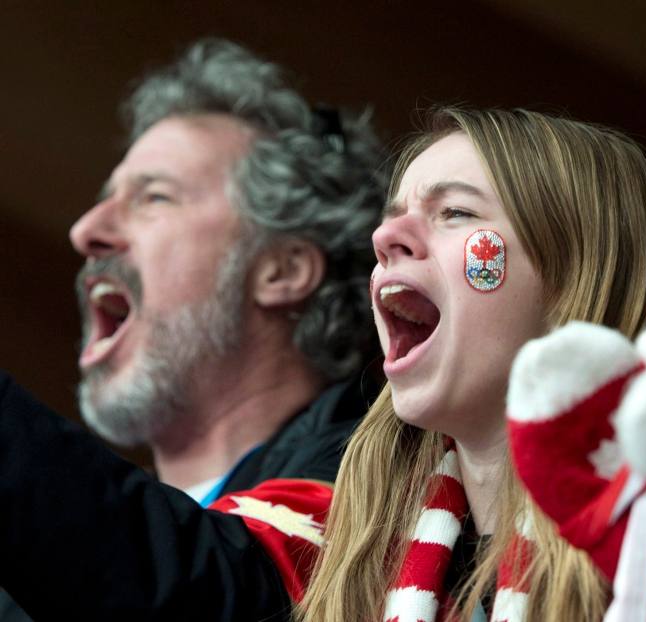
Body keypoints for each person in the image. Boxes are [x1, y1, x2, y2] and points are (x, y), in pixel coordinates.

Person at [296, 106, 646, 621]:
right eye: (391, 217)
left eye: (456, 213)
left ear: (577, 274)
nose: (383, 238)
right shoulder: (353, 545)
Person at [0, 38, 386, 621]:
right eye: (105, 200)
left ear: (282, 268)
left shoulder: (383, 477)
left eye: (153, 197)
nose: (84, 231)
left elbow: (214, 594)